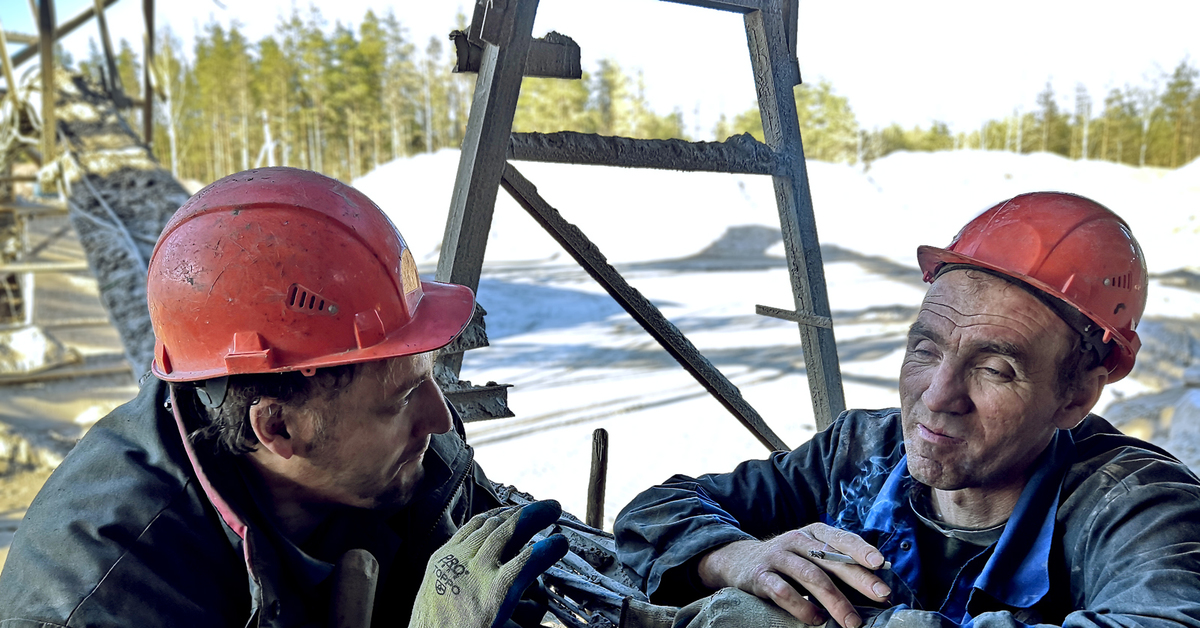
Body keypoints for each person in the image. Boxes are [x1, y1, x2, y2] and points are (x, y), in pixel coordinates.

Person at [0, 167, 566, 627]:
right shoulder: (104, 596)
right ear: (277, 428)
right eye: (400, 398)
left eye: (428, 377)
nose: (438, 418)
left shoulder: (405, 457)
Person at [614, 192, 1200, 628]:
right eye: (927, 348)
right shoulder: (860, 452)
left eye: (995, 369)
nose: (938, 395)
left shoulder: (1137, 505)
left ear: (1076, 396)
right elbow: (659, 510)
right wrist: (738, 557)